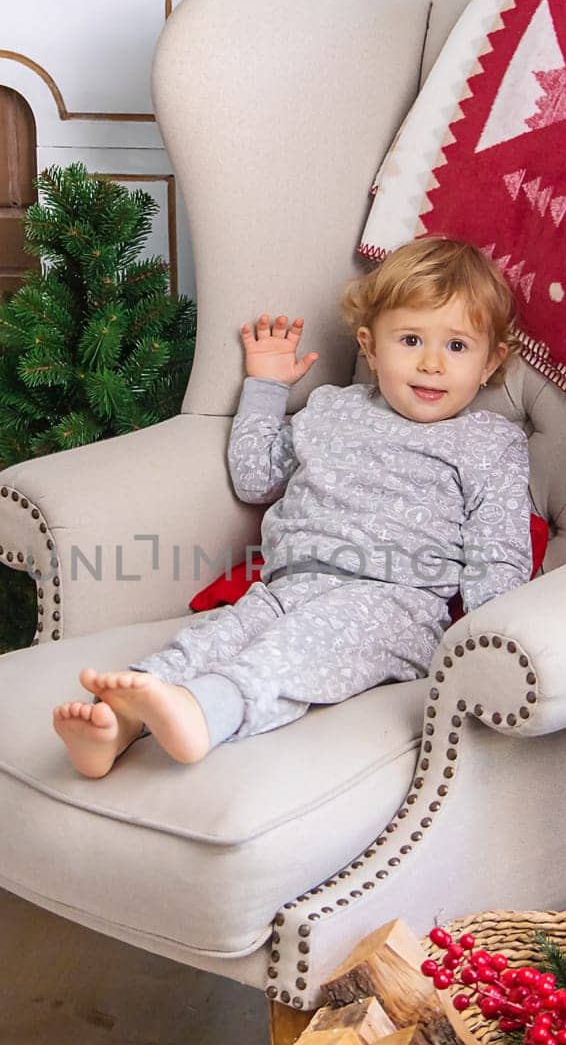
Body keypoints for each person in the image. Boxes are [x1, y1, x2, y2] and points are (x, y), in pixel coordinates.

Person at [54, 236, 532, 778]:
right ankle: (117, 722)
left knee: (300, 650)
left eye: (457, 347)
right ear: (370, 347)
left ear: (491, 360)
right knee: (212, 638)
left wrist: (491, 644)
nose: (430, 364)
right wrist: (264, 385)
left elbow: (500, 551)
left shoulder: (488, 443)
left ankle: (210, 711)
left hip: (395, 604)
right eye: (411, 339)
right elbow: (256, 479)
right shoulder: (331, 408)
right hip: (289, 586)